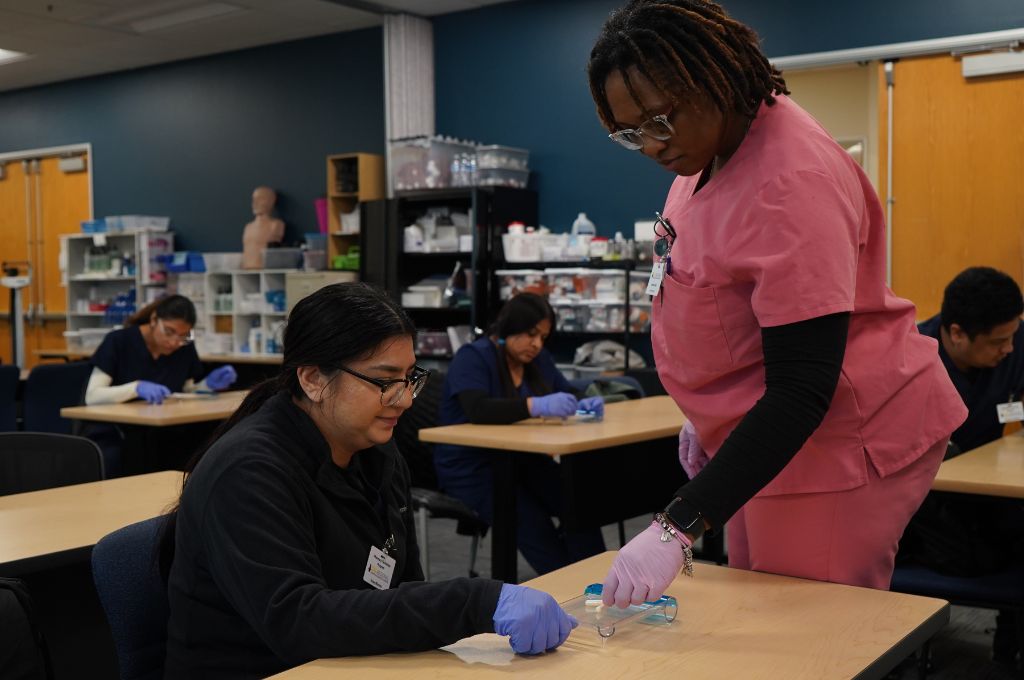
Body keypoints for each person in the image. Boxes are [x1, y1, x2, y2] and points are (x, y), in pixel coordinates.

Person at [585, 0, 967, 607]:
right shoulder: (705, 150)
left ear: (714, 81)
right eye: (629, 133)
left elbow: (803, 388)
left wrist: (676, 523)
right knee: (755, 614)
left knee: (804, 638)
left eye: (660, 121)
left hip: (836, 442)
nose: (651, 146)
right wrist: (707, 409)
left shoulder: (791, 181)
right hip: (766, 437)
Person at [160, 283, 576, 678]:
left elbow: (401, 584)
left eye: (410, 377)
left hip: (351, 663)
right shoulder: (248, 471)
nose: (406, 398)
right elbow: (299, 621)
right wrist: (476, 601)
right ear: (313, 379)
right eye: (384, 381)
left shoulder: (376, 450)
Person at [435, 292, 607, 576]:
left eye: (543, 337)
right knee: (530, 523)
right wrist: (535, 405)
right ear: (510, 326)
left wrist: (584, 400)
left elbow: (565, 389)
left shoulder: (537, 360)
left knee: (576, 501)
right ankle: (568, 585)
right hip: (473, 467)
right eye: (530, 334)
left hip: (524, 460)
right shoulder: (474, 357)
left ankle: (601, 579)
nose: (537, 344)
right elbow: (478, 409)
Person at [903, 266, 1024, 665]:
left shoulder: (1012, 342)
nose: (1008, 349)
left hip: (986, 487)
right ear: (956, 333)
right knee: (980, 557)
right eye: (998, 342)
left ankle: (1011, 646)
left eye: (1013, 337)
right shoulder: (912, 359)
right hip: (929, 497)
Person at [84, 295, 237, 475]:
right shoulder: (119, 342)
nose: (174, 342)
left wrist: (209, 385)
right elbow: (92, 396)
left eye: (183, 336)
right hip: (118, 432)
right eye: (169, 332)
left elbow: (186, 391)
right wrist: (135, 388)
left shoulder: (184, 347)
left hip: (164, 431)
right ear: (154, 319)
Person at [242, 185, 285, 269]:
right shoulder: (248, 227)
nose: (255, 202)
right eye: (254, 199)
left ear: (271, 201)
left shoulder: (276, 225)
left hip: (265, 270)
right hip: (245, 271)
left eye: (260, 199)